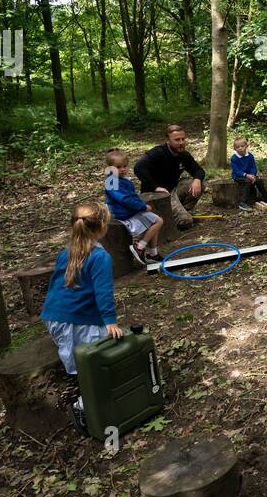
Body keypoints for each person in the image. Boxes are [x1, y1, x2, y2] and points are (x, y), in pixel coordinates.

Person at [40, 200, 124, 434]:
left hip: (55, 317)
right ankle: (82, 407)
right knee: (92, 365)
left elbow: (54, 288)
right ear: (102, 226)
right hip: (75, 322)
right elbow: (104, 293)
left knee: (86, 359)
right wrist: (110, 322)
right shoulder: (100, 257)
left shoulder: (66, 251)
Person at [134, 124, 206, 230]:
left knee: (200, 184)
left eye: (183, 139)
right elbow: (138, 167)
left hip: (172, 191)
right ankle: (177, 218)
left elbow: (199, 170)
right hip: (155, 195)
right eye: (177, 140)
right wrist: (156, 187)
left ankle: (184, 211)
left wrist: (197, 179)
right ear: (168, 140)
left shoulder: (183, 155)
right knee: (186, 222)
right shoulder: (157, 153)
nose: (181, 143)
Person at [104, 149, 162, 264]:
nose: (122, 169)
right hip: (124, 213)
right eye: (118, 167)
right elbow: (125, 199)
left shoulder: (121, 179)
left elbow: (131, 196)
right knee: (158, 221)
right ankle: (140, 247)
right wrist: (142, 207)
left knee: (154, 221)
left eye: (125, 166)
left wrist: (141, 205)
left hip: (130, 210)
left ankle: (153, 254)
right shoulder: (112, 181)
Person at [229, 136, 267, 211]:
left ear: (246, 146)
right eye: (237, 147)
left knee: (259, 181)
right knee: (247, 182)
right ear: (235, 149)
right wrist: (246, 175)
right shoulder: (234, 158)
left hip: (250, 175)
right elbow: (236, 171)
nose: (240, 148)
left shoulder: (250, 156)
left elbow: (253, 167)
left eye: (242, 146)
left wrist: (253, 175)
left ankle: (266, 198)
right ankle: (243, 202)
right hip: (239, 176)